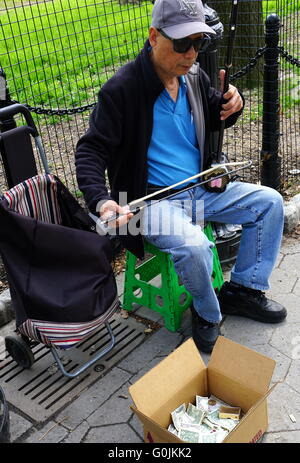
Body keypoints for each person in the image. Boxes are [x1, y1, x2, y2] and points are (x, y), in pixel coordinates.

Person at [76, 0, 287, 353]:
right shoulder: (122, 89)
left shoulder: (193, 77)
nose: (191, 54)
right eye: (181, 43)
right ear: (154, 36)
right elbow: (90, 149)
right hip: (149, 203)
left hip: (201, 188)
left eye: (198, 43)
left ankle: (242, 289)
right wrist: (102, 200)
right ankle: (206, 313)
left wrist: (232, 105)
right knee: (194, 246)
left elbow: (213, 116)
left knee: (270, 203)